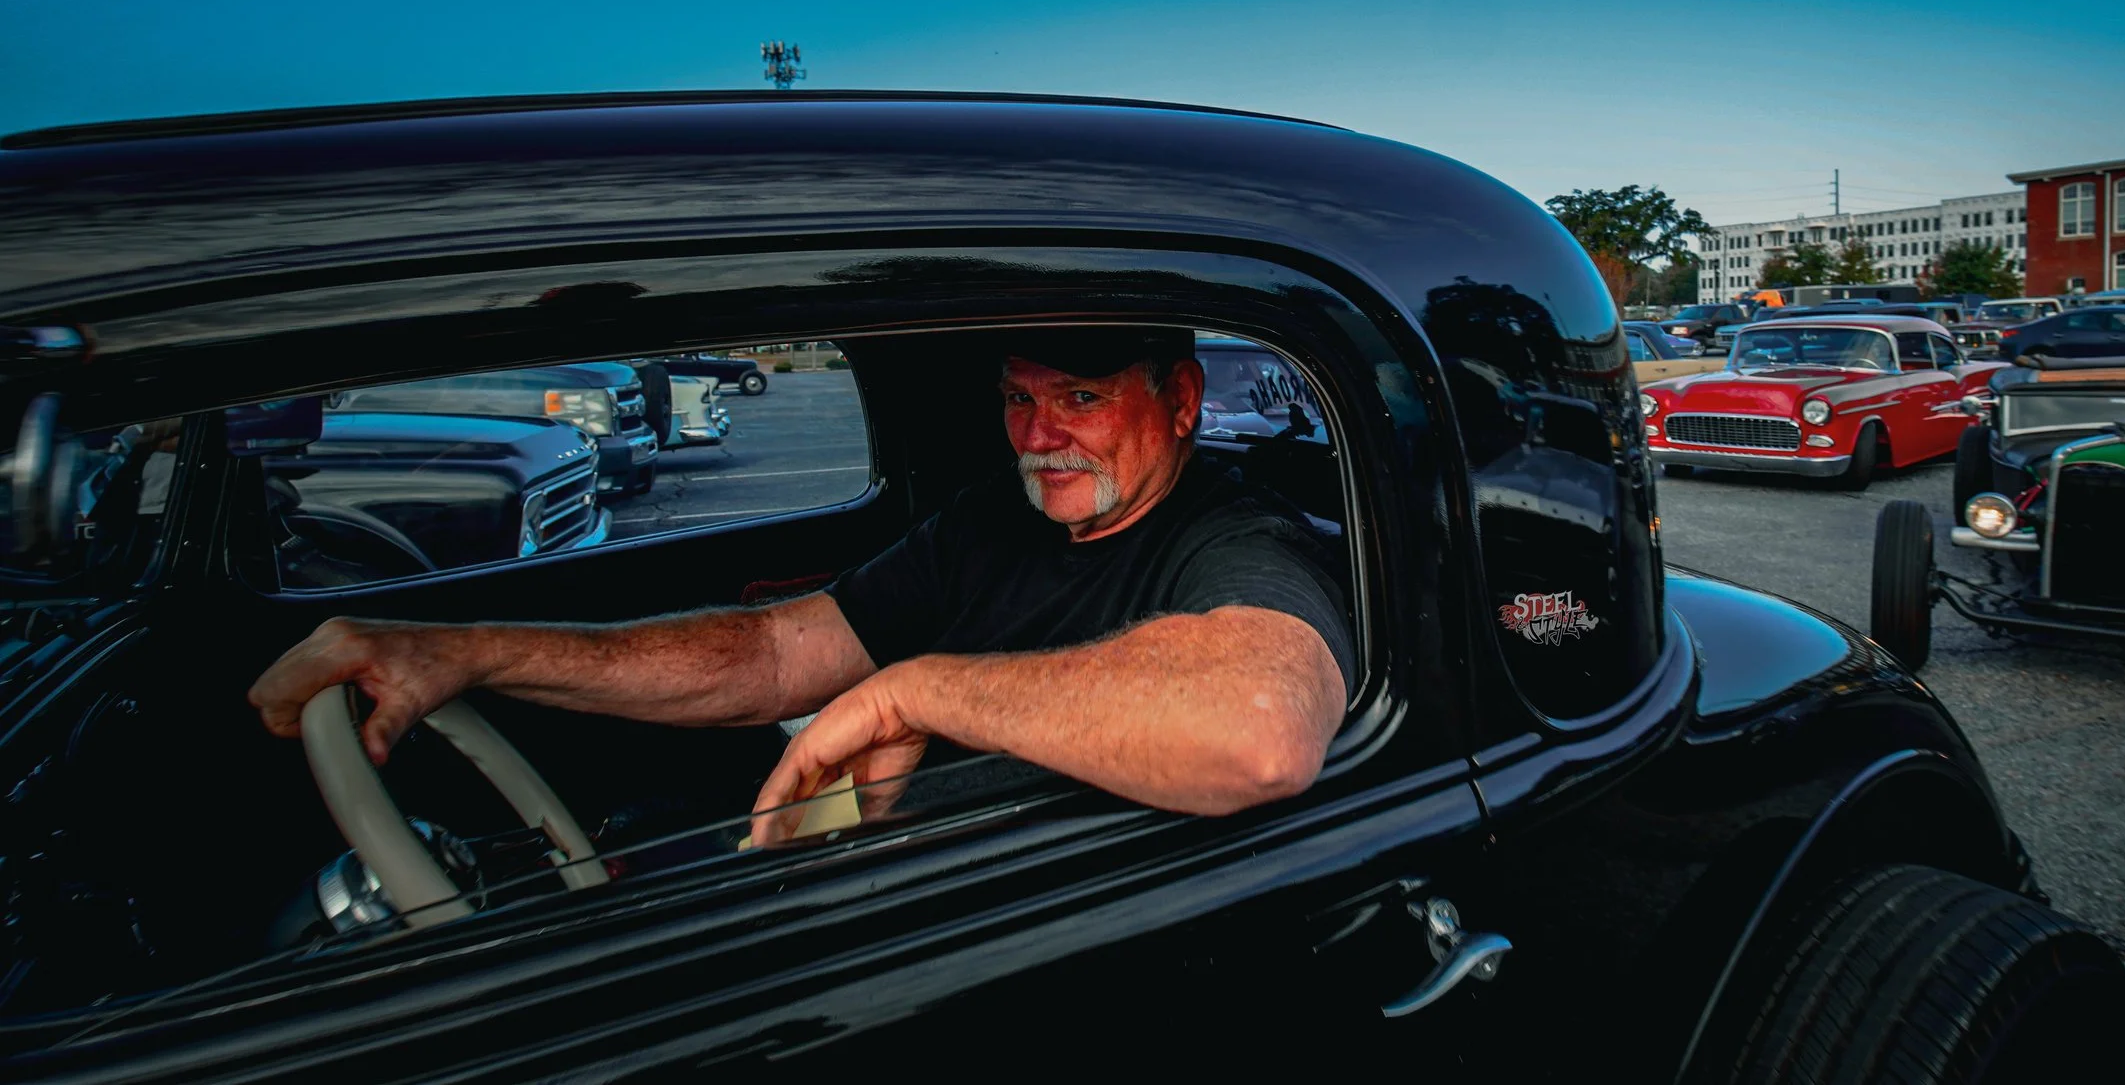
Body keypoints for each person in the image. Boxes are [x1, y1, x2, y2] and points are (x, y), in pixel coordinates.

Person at [248, 326, 1353, 844]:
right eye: (1017, 399)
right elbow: (772, 656)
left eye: (1079, 396)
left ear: (1182, 401)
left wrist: (920, 690)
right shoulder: (987, 523)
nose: (1039, 435)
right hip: (878, 872)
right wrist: (470, 650)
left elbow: (1256, 732)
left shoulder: (1236, 541)